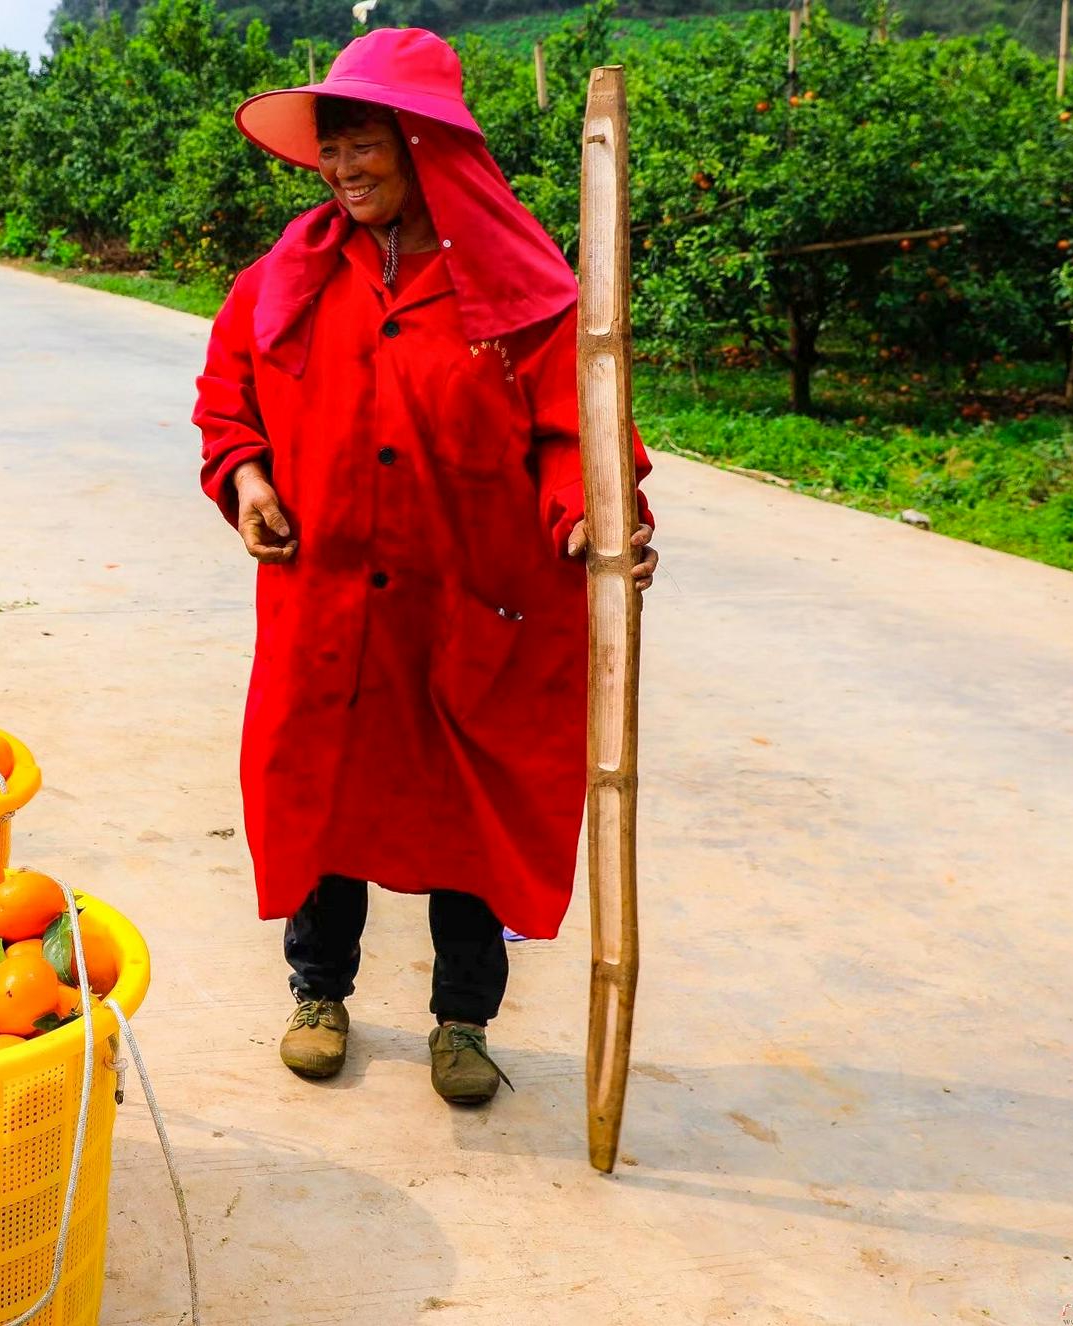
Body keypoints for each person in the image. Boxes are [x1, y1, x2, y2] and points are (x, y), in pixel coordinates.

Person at [194, 28, 659, 1106]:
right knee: (323, 785)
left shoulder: (522, 294)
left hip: (471, 600)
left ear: (423, 148)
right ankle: (318, 993)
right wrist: (246, 478)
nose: (343, 166)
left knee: (466, 808)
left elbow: (573, 440)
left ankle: (462, 1021)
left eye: (365, 143)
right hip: (329, 600)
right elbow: (228, 397)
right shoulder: (287, 275)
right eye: (333, 146)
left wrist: (594, 523)